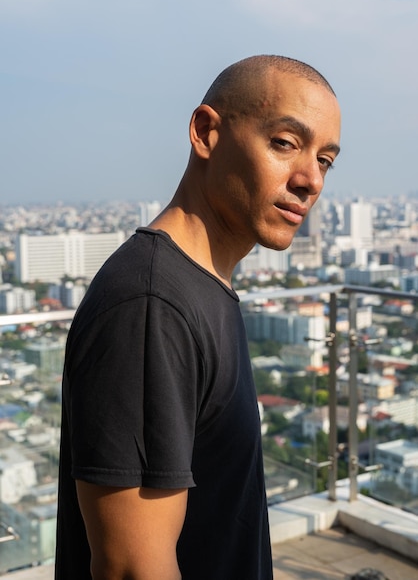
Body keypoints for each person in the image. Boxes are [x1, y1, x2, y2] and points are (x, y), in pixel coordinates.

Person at [55, 54, 341, 580]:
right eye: (285, 143)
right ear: (207, 132)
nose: (310, 180)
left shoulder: (202, 286)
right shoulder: (151, 307)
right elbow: (132, 568)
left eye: (325, 159)